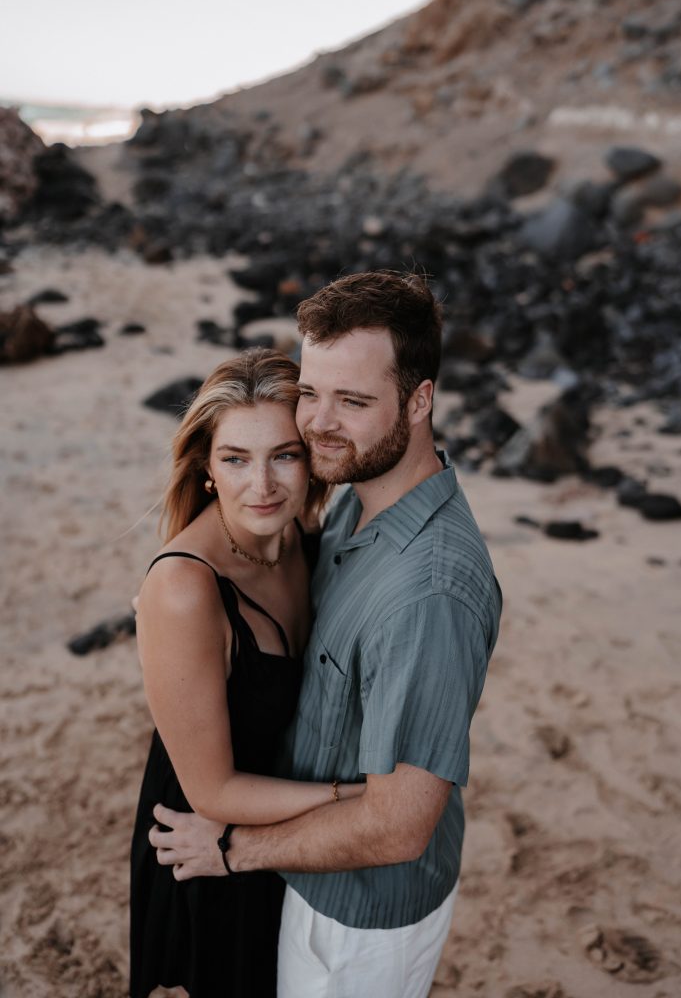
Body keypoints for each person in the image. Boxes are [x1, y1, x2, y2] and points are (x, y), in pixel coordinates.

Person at [149, 270, 502, 998]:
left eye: (353, 401)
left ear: (419, 400)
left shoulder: (426, 592)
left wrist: (234, 848)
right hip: (307, 876)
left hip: (357, 922)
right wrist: (176, 586)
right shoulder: (349, 505)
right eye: (311, 393)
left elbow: (397, 828)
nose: (318, 425)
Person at [129, 349, 364, 998]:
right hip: (205, 851)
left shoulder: (300, 536)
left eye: (284, 455)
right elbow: (214, 793)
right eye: (235, 459)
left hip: (278, 837)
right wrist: (360, 802)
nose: (260, 485)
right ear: (206, 468)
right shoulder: (184, 587)